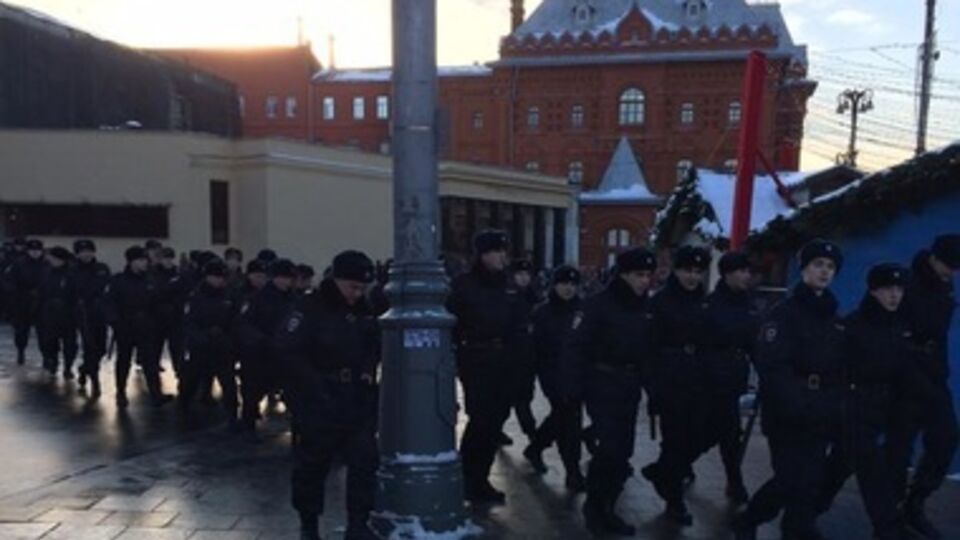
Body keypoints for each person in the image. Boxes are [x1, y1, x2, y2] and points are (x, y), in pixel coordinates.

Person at [733, 239, 847, 540]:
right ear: (804, 269)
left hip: (821, 409)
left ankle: (797, 528)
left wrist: (833, 403)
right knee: (789, 478)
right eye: (818, 265)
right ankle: (751, 518)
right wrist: (798, 402)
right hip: (788, 412)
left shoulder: (834, 317)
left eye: (830, 267)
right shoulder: (784, 313)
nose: (824, 272)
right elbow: (773, 366)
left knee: (811, 478)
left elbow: (840, 367)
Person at [276, 250, 380, 540]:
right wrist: (313, 386)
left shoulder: (364, 309)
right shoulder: (309, 307)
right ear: (337, 280)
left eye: (362, 289)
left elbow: (372, 345)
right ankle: (309, 523)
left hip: (356, 399)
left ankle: (358, 523)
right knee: (312, 466)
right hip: (319, 400)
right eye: (352, 287)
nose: (357, 294)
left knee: (364, 462)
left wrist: (367, 371)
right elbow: (287, 350)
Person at [817, 263, 916, 540]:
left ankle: (807, 511)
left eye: (899, 289)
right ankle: (888, 528)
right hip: (854, 406)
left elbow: (901, 368)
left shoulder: (899, 325)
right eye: (887, 289)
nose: (894, 295)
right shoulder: (853, 326)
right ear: (873, 291)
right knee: (873, 470)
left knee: (838, 467)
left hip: (882, 407)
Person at [562, 248, 658, 536]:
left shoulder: (644, 307)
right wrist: (571, 388)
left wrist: (653, 389)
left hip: (629, 385)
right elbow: (574, 347)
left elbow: (648, 351)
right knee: (611, 449)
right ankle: (594, 508)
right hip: (601, 382)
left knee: (622, 452)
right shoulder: (597, 305)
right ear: (624, 274)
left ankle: (608, 507)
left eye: (648, 275)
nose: (644, 281)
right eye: (638, 275)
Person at [887, 234, 960, 539]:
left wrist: (940, 370)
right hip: (905, 374)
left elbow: (939, 334)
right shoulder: (906, 284)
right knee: (899, 446)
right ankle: (889, 514)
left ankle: (915, 502)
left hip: (933, 373)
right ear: (933, 258)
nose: (952, 271)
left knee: (945, 436)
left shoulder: (946, 286)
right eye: (948, 264)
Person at [447, 229, 525, 504]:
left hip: (505, 360)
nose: (502, 256)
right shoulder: (464, 284)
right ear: (482, 255)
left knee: (495, 422)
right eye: (496, 251)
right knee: (481, 419)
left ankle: (480, 478)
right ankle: (469, 477)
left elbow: (518, 321)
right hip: (478, 359)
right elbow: (452, 323)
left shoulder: (508, 285)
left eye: (504, 251)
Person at [643, 245, 711, 525]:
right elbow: (649, 348)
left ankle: (662, 471)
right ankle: (674, 500)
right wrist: (654, 389)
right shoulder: (660, 302)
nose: (693, 277)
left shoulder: (705, 301)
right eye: (687, 270)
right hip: (670, 381)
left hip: (699, 381)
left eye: (698, 271)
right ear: (676, 270)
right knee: (675, 441)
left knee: (698, 436)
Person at [691, 251, 758, 503]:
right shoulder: (710, 305)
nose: (746, 276)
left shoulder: (748, 304)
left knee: (722, 431)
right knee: (724, 432)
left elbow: (755, 342)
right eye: (741, 271)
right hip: (712, 378)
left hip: (735, 377)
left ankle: (676, 466)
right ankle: (734, 481)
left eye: (747, 272)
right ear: (728, 274)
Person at [525, 265, 586, 491]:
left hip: (578, 372)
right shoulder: (542, 313)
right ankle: (573, 470)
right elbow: (534, 348)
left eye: (572, 284)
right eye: (564, 284)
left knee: (564, 416)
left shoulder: (583, 310)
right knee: (569, 420)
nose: (568, 288)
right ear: (555, 285)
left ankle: (536, 446)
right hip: (552, 373)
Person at [104, 246, 173, 409]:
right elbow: (109, 303)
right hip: (125, 326)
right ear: (131, 262)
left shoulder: (150, 280)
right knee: (124, 361)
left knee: (150, 362)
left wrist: (159, 319)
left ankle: (156, 394)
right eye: (140, 260)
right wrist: (115, 322)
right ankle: (120, 392)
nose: (144, 263)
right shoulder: (118, 281)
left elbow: (158, 302)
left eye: (145, 260)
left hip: (146, 327)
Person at [236, 259, 297, 437]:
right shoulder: (258, 298)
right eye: (284, 278)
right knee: (253, 391)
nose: (287, 282)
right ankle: (248, 425)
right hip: (260, 354)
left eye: (289, 278)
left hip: (285, 353)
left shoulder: (293, 299)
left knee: (293, 391)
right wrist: (261, 341)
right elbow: (244, 324)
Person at [180, 260, 239, 424]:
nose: (220, 281)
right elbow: (188, 322)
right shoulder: (196, 296)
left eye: (222, 277)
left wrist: (226, 335)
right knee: (191, 380)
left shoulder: (229, 295)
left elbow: (235, 319)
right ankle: (184, 406)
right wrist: (202, 336)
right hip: (201, 347)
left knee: (228, 383)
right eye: (216, 277)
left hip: (222, 346)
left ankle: (232, 414)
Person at [505, 259, 539, 448]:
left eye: (527, 274)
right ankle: (533, 437)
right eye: (520, 274)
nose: (524, 278)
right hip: (511, 357)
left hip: (528, 357)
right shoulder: (508, 297)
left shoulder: (534, 297)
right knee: (519, 401)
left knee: (521, 398)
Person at [73, 239, 111, 398]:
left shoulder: (102, 269)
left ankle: (84, 369)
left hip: (100, 313)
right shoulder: (73, 270)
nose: (86, 254)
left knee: (101, 349)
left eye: (89, 250)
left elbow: (109, 289)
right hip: (83, 314)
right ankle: (95, 381)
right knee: (90, 346)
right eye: (82, 251)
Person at [37, 247, 78, 378]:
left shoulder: (71, 274)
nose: (51, 260)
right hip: (49, 313)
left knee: (70, 343)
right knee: (50, 341)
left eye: (54, 258)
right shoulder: (46, 272)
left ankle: (68, 366)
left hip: (68, 313)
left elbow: (76, 293)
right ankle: (52, 362)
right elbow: (41, 291)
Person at [4, 239, 47, 365]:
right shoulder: (18, 264)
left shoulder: (46, 264)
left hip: (42, 302)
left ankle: (46, 356)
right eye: (32, 250)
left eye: (37, 250)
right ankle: (21, 351)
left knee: (44, 332)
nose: (35, 253)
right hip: (22, 301)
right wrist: (16, 294)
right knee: (22, 330)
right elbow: (8, 281)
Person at [153, 247, 188, 376]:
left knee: (178, 350)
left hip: (176, 317)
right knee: (155, 349)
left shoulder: (179, 274)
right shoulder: (153, 274)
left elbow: (185, 292)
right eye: (165, 258)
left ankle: (180, 376)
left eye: (169, 258)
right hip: (157, 318)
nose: (168, 261)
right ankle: (154, 380)